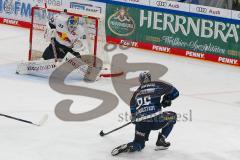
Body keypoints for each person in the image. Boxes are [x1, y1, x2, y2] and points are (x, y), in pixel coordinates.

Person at [111, 72, 179, 156]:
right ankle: (161, 140)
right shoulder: (157, 85)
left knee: (139, 144)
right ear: (149, 78)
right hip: (156, 120)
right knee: (173, 116)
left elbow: (132, 108)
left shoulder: (137, 92)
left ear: (140, 80)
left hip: (141, 123)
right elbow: (175, 92)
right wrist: (167, 99)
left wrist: (134, 118)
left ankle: (132, 145)